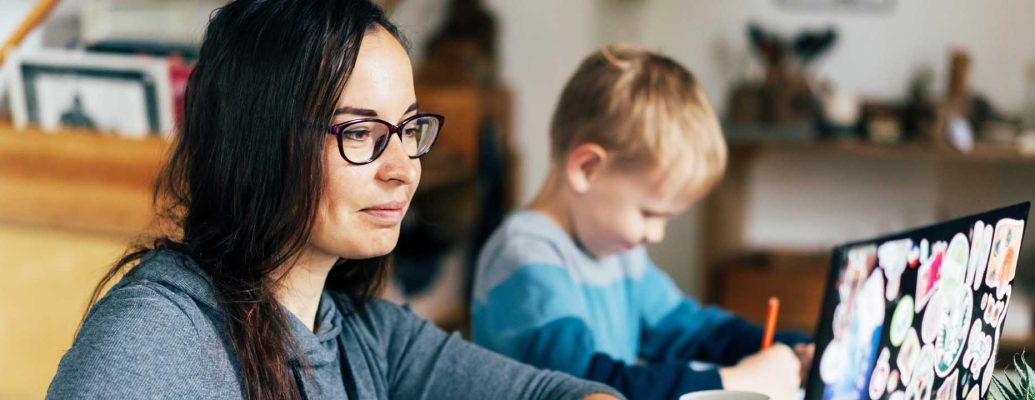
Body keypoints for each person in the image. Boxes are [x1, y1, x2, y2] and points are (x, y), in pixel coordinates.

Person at [46, 1, 623, 399]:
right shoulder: (156, 337)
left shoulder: (361, 334)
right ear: (260, 143)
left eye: (409, 129)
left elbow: (550, 392)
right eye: (359, 133)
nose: (403, 170)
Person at [471, 45, 814, 400]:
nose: (656, 234)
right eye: (649, 213)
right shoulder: (524, 258)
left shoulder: (614, 249)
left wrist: (794, 349)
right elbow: (590, 386)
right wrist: (733, 381)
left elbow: (692, 331)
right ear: (587, 169)